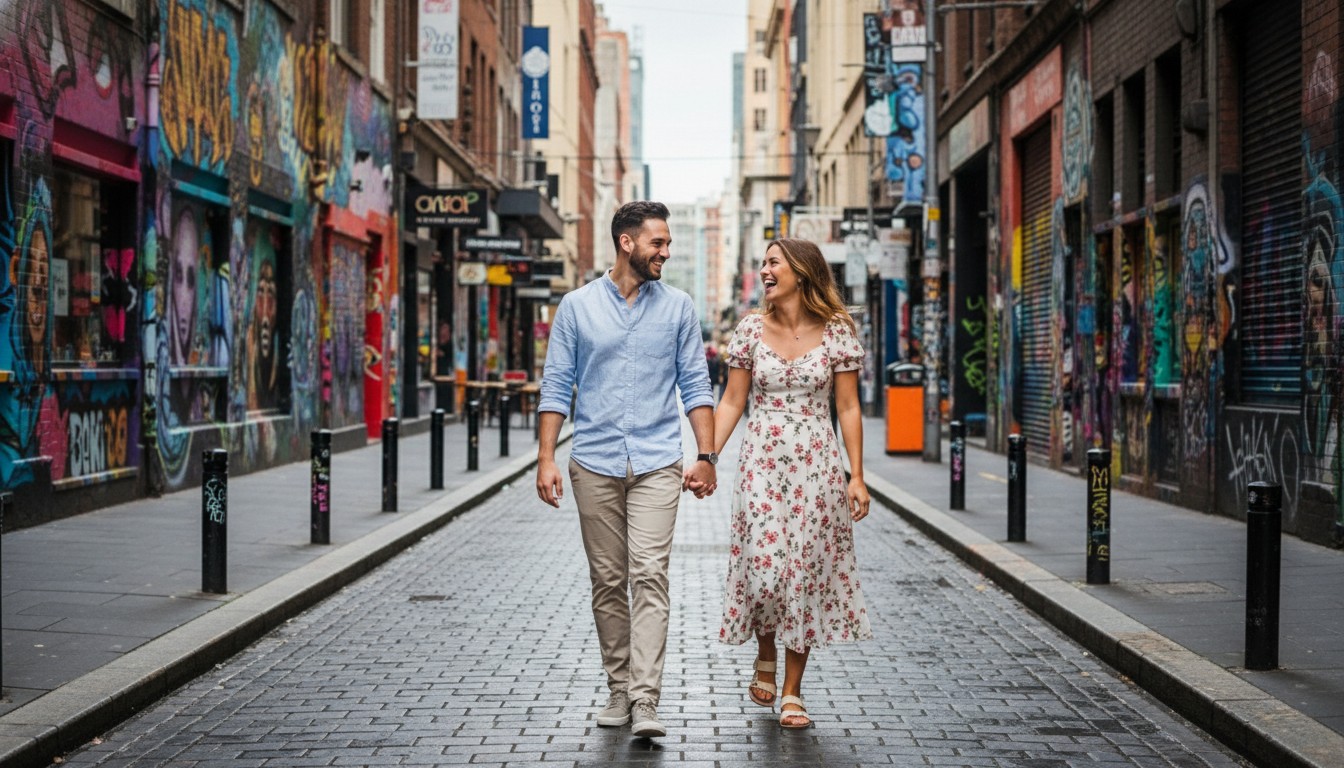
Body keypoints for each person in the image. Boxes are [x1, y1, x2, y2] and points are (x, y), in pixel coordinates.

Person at [535, 201, 718, 739]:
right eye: (657, 243)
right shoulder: (576, 307)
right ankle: (618, 687)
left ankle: (645, 700)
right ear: (626, 243)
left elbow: (696, 385)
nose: (666, 252)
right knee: (609, 580)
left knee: (649, 573)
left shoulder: (679, 307)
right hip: (593, 460)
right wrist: (546, 456)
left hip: (659, 460)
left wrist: (706, 457)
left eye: (668, 243)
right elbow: (556, 384)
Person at [704, 237, 873, 729]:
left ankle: (793, 691)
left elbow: (847, 407)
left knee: (803, 573)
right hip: (761, 463)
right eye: (763, 263)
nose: (765, 270)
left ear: (801, 271)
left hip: (817, 467)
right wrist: (707, 455)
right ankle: (764, 653)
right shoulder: (751, 330)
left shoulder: (837, 331)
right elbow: (733, 400)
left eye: (773, 263)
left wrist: (856, 476)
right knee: (766, 565)